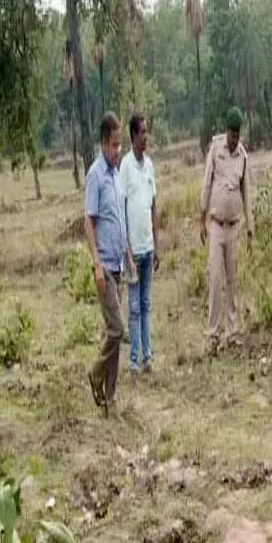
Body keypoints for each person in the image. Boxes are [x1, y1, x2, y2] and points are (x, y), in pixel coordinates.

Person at [84, 113, 130, 416]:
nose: (118, 151)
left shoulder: (115, 175)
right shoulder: (96, 175)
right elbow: (89, 220)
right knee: (117, 330)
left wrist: (126, 253)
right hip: (104, 266)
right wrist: (97, 265)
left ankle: (109, 400)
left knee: (113, 336)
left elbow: (118, 218)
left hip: (119, 263)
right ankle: (95, 372)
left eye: (120, 145)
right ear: (103, 143)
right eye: (114, 145)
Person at [199, 106, 253, 356]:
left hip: (234, 227)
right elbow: (207, 183)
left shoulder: (243, 157)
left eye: (237, 135)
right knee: (215, 281)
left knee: (232, 281)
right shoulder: (215, 150)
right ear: (226, 132)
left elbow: (247, 195)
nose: (234, 140)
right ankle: (213, 336)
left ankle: (232, 333)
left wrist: (250, 230)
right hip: (216, 226)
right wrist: (201, 219)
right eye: (231, 135)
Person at [119, 113, 159, 383]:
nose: (146, 137)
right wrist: (127, 250)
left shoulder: (149, 166)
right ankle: (133, 362)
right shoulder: (125, 167)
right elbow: (122, 211)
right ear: (132, 135)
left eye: (147, 132)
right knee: (133, 308)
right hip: (133, 251)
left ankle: (147, 357)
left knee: (146, 304)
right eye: (142, 132)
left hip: (149, 247)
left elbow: (153, 204)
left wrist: (157, 242)